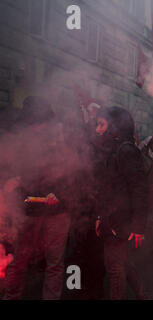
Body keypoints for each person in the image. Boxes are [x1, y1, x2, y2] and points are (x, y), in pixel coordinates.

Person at [4, 96, 74, 300]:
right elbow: (14, 167)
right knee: (19, 260)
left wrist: (58, 194)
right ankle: (11, 296)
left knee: (54, 263)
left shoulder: (62, 139)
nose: (36, 128)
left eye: (39, 123)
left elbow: (74, 174)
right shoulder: (24, 138)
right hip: (30, 211)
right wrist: (13, 181)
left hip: (57, 213)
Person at [92, 106, 148, 300]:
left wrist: (138, 225)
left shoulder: (126, 151)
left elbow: (139, 188)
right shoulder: (112, 149)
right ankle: (142, 295)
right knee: (121, 262)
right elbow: (107, 188)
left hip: (120, 220)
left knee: (115, 268)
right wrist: (100, 217)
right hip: (112, 218)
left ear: (115, 127)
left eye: (102, 124)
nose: (98, 129)